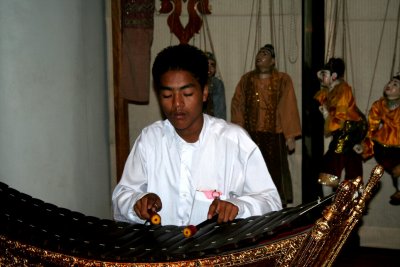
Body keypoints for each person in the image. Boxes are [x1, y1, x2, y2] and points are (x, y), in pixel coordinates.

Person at [112, 44, 282, 226]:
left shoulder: (234, 141)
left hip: (217, 252)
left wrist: (239, 206)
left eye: (187, 93)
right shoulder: (150, 140)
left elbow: (272, 203)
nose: (177, 104)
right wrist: (138, 201)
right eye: (167, 95)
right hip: (162, 251)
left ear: (205, 92)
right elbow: (122, 196)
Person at [231, 44, 301, 206]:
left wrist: (290, 135)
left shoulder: (283, 80)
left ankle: (277, 207)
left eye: (265, 53)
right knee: (251, 173)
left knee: (275, 174)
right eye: (259, 53)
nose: (260, 56)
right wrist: (239, 133)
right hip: (251, 135)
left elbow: (288, 105)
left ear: (273, 61)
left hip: (274, 135)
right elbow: (237, 105)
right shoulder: (246, 79)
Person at [314, 57, 367, 192]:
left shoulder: (343, 90)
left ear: (334, 76)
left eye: (324, 74)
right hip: (345, 131)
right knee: (349, 160)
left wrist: (327, 115)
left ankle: (338, 197)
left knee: (333, 160)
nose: (321, 77)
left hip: (348, 130)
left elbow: (341, 116)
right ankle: (352, 191)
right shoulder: (330, 90)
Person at [362, 74, 400, 205]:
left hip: (398, 145)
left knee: (397, 169)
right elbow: (372, 126)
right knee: (392, 168)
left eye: (395, 84)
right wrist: (366, 143)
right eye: (390, 82)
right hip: (381, 146)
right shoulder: (379, 105)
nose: (390, 85)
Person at [203, 51, 227, 120]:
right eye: (206, 64)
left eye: (212, 65)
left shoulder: (217, 84)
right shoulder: (195, 82)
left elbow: (220, 109)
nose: (209, 68)